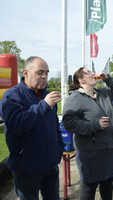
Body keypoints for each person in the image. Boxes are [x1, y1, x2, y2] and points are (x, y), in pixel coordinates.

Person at [0, 56, 64, 200]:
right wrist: (44, 105)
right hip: (26, 168)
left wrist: (58, 151)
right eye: (40, 72)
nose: (44, 76)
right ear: (26, 73)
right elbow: (16, 125)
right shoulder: (12, 96)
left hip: (50, 165)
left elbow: (55, 127)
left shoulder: (47, 95)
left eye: (47, 73)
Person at [62, 67, 113, 200]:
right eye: (88, 72)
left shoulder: (103, 93)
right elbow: (69, 122)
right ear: (81, 79)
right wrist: (95, 125)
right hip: (90, 151)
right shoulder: (75, 98)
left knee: (108, 184)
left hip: (109, 148)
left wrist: (108, 79)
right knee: (89, 187)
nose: (93, 73)